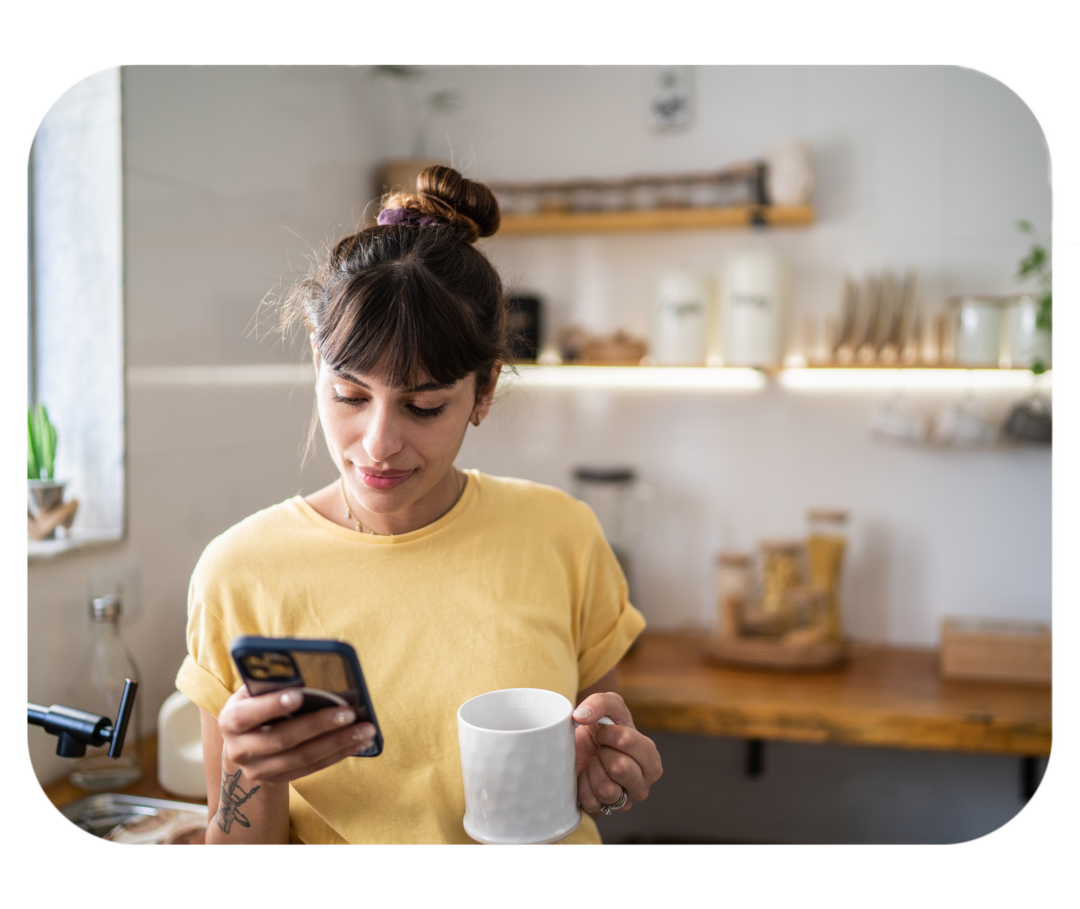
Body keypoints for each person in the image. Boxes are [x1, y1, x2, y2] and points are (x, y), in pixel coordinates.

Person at [177, 166, 662, 849]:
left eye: (424, 405)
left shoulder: (562, 535)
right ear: (317, 363)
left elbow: (593, 752)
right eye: (349, 395)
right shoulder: (240, 571)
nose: (378, 443)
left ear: (485, 389)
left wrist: (607, 771)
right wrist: (252, 775)